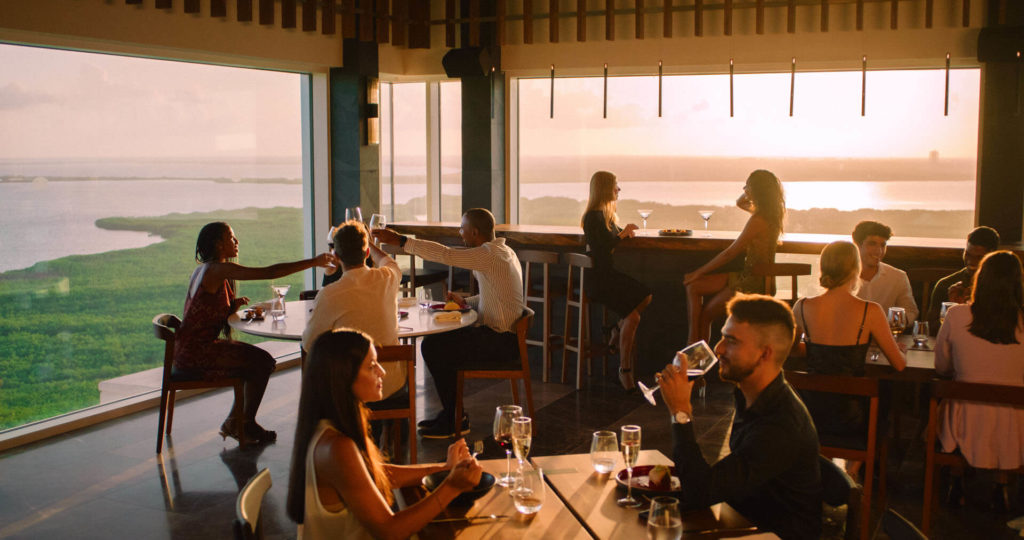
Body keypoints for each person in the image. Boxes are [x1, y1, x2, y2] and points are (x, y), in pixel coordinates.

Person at [286, 330, 483, 540]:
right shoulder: (336, 447)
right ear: (343, 377)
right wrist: (451, 486)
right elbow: (389, 531)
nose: (382, 372)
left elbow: (372, 473)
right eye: (371, 366)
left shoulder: (324, 427)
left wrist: (443, 469)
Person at [658, 294, 822, 539]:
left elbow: (701, 492)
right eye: (723, 336)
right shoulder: (752, 395)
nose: (718, 349)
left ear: (765, 354)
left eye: (731, 341)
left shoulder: (780, 426)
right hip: (743, 520)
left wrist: (681, 411)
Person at [174, 221, 337, 445]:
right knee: (262, 362)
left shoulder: (204, 270)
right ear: (219, 245)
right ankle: (242, 422)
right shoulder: (218, 269)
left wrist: (231, 306)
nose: (236, 242)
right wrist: (314, 262)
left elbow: (203, 310)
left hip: (187, 348)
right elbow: (270, 272)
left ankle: (239, 420)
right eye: (231, 238)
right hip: (197, 352)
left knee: (257, 361)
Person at [372, 208, 525, 438]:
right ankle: (453, 414)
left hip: (499, 341)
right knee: (438, 343)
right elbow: (494, 296)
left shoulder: (488, 254)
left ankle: (455, 418)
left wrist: (402, 242)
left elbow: (446, 255)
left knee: (433, 347)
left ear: (474, 232)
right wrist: (466, 301)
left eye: (462, 228)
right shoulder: (503, 252)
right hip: (505, 337)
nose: (459, 232)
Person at [790, 241, 906, 455]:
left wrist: (817, 349)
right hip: (852, 416)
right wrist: (900, 351)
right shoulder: (870, 310)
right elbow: (898, 365)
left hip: (810, 411)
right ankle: (855, 469)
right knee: (882, 405)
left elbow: (792, 351)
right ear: (856, 269)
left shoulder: (802, 306)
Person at [935, 251, 1024, 507]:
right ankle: (1002, 484)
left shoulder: (957, 315)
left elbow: (941, 368)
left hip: (964, 422)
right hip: (1015, 424)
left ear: (980, 279)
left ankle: (956, 479)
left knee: (951, 397)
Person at [302, 220, 405, 401]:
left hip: (350, 387)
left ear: (337, 256)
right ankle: (394, 428)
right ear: (366, 252)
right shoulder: (388, 277)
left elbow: (310, 343)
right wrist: (369, 242)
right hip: (390, 383)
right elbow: (387, 261)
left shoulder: (329, 294)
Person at [685, 170, 786, 346]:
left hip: (752, 282)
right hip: (747, 275)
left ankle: (694, 349)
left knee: (706, 313)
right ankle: (694, 344)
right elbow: (740, 203)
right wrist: (748, 189)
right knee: (694, 287)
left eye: (747, 186)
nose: (744, 189)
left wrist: (698, 271)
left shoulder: (758, 220)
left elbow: (730, 253)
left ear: (757, 190)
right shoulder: (771, 215)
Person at [581, 171, 653, 390]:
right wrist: (621, 236)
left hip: (608, 276)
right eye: (615, 186)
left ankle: (615, 329)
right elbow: (602, 247)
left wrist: (625, 232)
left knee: (645, 296)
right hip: (599, 280)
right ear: (604, 189)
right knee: (634, 317)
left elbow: (612, 237)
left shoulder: (606, 216)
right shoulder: (592, 217)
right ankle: (625, 370)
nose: (618, 190)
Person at [925, 226, 1000, 331]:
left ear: (993, 257)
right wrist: (953, 310)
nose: (970, 262)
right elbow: (930, 329)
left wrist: (965, 310)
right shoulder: (945, 285)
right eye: (968, 255)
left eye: (979, 257)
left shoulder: (1004, 287)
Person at [850, 220, 918, 323]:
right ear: (857, 244)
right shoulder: (842, 276)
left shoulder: (898, 277)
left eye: (883, 245)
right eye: (872, 244)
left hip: (885, 336)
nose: (879, 251)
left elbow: (911, 312)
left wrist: (890, 324)